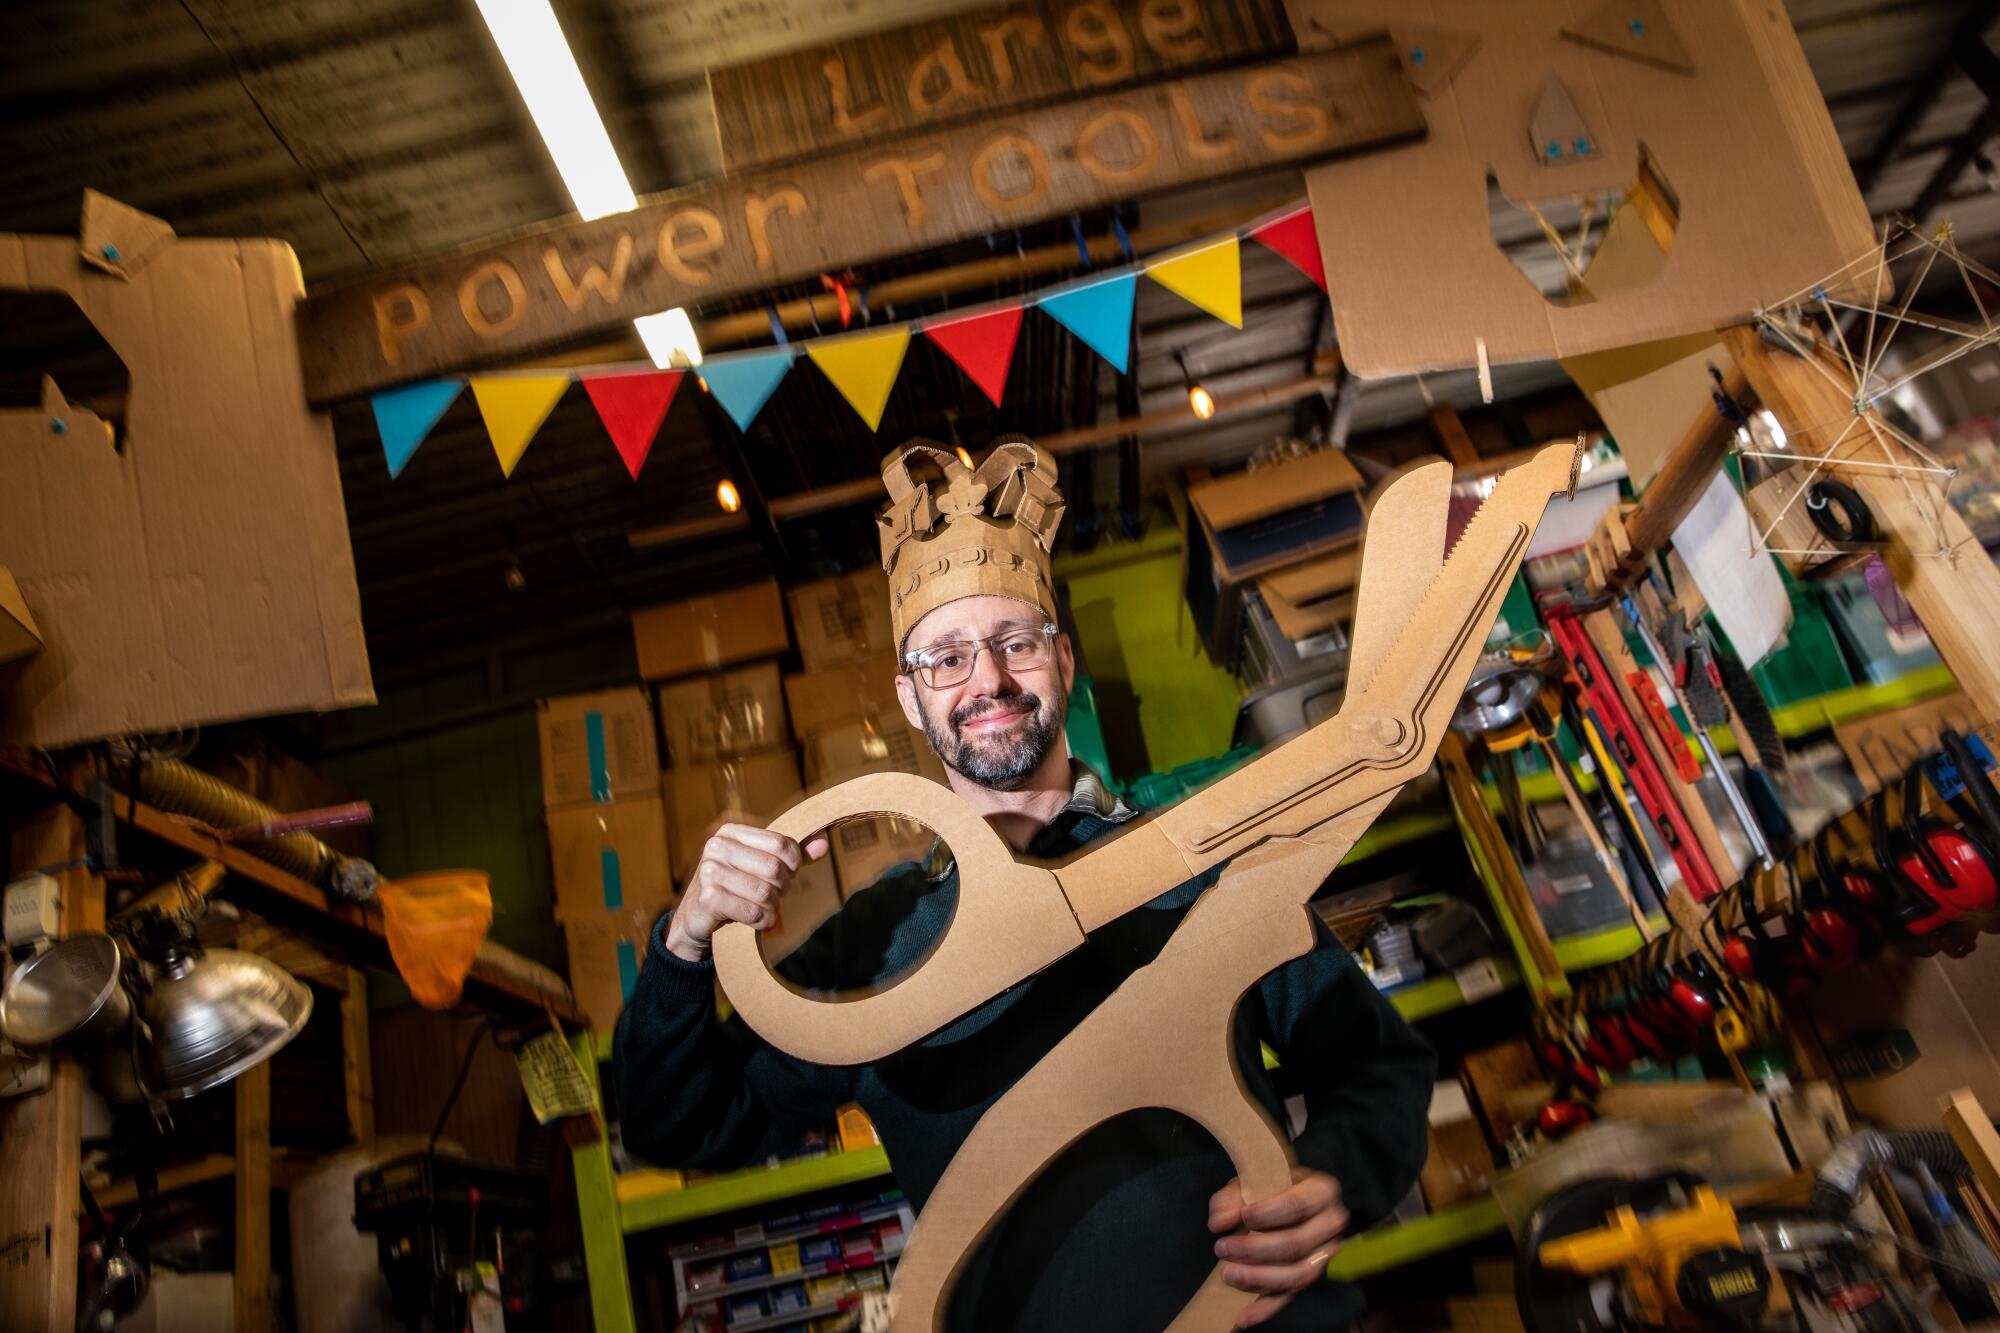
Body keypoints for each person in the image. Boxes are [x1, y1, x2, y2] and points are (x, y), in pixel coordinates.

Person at [615, 437, 1434, 1331]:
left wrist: (1334, 1174)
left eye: (1016, 642)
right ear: (909, 698)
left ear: (1065, 661)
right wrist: (686, 943)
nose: (989, 680)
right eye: (947, 658)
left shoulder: (1195, 860)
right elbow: (680, 1125)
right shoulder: (875, 942)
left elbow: (1378, 1065)